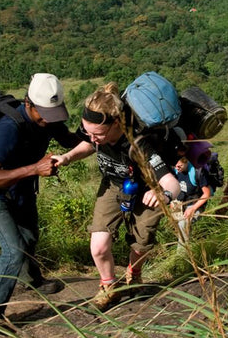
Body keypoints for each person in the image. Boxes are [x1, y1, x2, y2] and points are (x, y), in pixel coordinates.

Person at [52, 83, 180, 311]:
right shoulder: (95, 131)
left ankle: (134, 273)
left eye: (98, 134)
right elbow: (88, 144)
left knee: (141, 245)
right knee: (99, 247)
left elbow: (171, 181)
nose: (93, 138)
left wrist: (164, 193)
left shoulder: (138, 144)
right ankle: (109, 286)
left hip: (147, 191)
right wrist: (68, 157)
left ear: (116, 124)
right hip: (112, 186)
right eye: (88, 131)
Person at [0, 73, 80, 330]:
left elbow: (71, 140)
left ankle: (33, 281)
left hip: (21, 191)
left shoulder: (47, 120)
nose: (47, 121)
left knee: (29, 238)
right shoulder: (9, 129)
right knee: (13, 250)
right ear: (29, 104)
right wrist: (34, 169)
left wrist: (100, 134)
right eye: (43, 115)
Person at [173, 156, 212, 244]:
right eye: (175, 166)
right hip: (182, 201)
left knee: (183, 224)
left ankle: (181, 254)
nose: (177, 168)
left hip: (196, 203)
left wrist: (193, 208)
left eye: (179, 166)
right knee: (177, 225)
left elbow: (207, 194)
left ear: (186, 161)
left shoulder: (197, 171)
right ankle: (187, 242)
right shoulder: (175, 170)